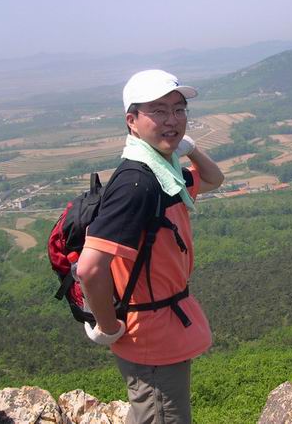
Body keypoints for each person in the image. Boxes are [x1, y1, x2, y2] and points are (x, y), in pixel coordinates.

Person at [76, 69, 224, 423]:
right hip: (150, 336)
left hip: (165, 326)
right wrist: (109, 328)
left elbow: (214, 179)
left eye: (179, 109)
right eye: (158, 111)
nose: (172, 119)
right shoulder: (137, 184)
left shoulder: (164, 173)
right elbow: (89, 268)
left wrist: (189, 147)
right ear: (132, 121)